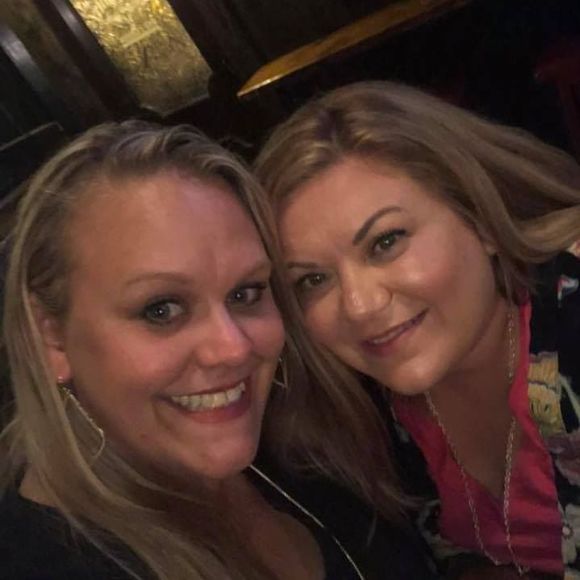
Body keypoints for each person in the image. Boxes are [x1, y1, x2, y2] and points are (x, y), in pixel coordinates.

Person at [0, 120, 436, 580]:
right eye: (161, 309)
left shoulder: (297, 446)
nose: (233, 348)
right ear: (52, 338)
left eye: (245, 293)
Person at [255, 80, 580, 579]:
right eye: (313, 280)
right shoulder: (365, 408)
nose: (360, 306)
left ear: (481, 217)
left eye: (386, 242)